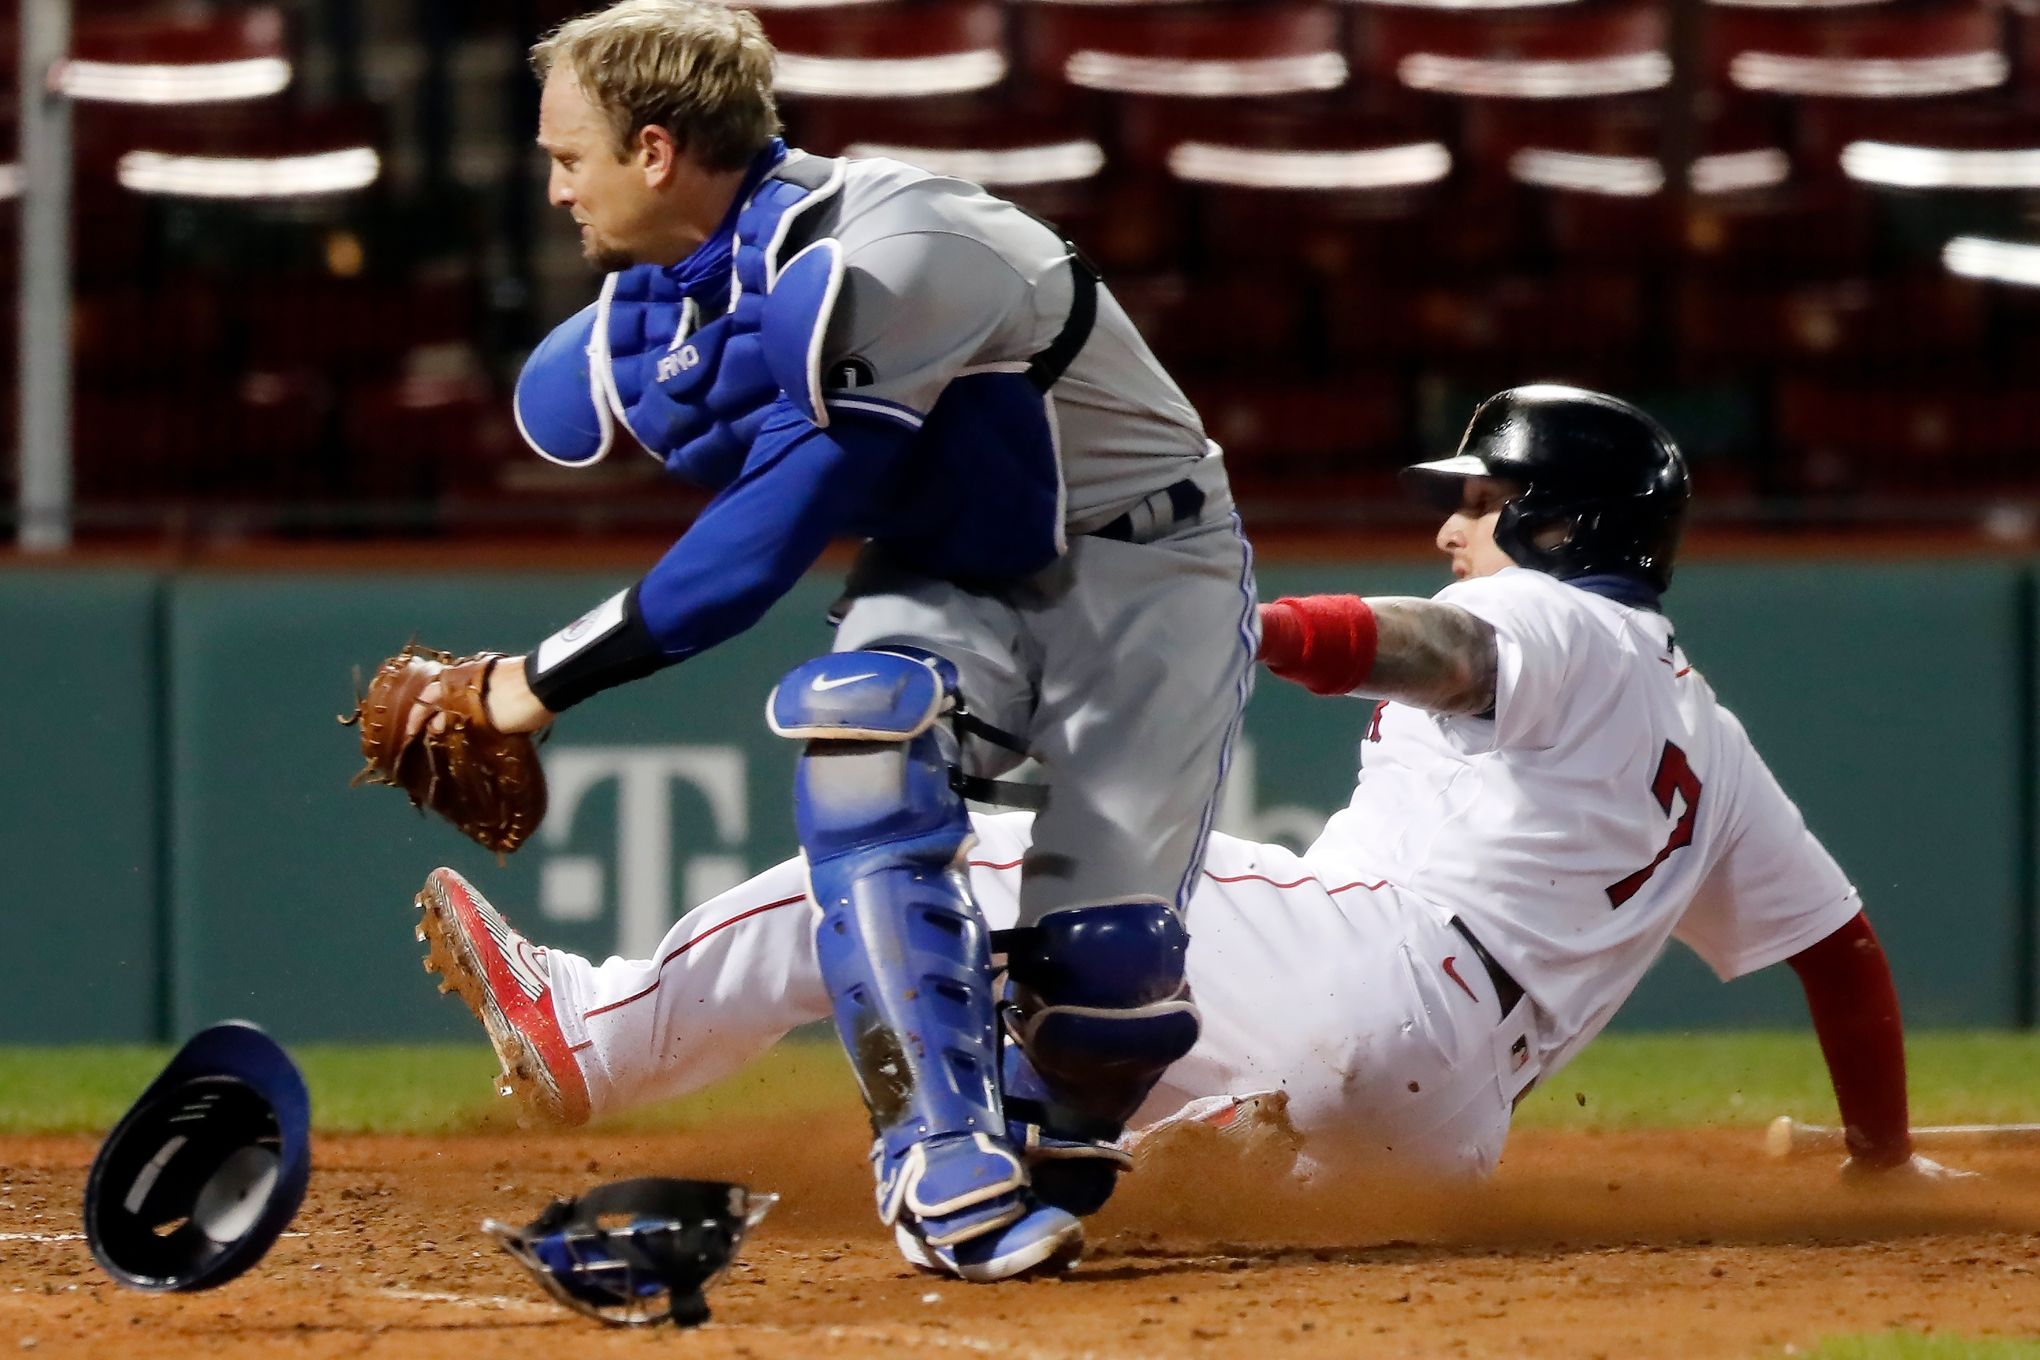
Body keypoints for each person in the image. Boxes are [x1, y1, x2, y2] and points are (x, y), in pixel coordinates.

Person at [418, 384, 1953, 1238]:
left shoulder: (1559, 623)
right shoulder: (1708, 729)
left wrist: (1249, 631)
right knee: (1077, 1001)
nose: (1451, 521)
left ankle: (596, 1037)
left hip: (1382, 973)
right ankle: (1114, 1153)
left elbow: (1433, 645)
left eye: (1477, 502)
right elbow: (1843, 952)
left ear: (1556, 525)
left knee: (954, 856)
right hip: (1439, 1128)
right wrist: (1879, 1155)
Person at [404, 0, 1258, 1283]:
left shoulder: (898, 246)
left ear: (651, 150)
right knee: (860, 726)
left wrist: (527, 686)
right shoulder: (678, 293)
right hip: (956, 565)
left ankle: (1043, 1123)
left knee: (1106, 985)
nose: (551, 182)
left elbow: (755, 550)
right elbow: (674, 408)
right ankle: (938, 1157)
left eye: (566, 153)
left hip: (1152, 563)